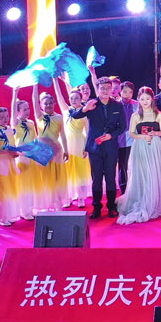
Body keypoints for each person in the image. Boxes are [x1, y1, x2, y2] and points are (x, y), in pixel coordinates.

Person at [69, 78, 126, 219]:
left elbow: (123, 126)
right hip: (95, 148)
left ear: (111, 89)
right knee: (97, 179)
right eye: (102, 88)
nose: (105, 91)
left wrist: (111, 135)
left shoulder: (117, 105)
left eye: (108, 88)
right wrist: (85, 109)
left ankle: (111, 207)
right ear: (98, 89)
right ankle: (96, 207)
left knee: (111, 178)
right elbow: (75, 115)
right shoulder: (91, 103)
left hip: (111, 147)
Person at [116, 87, 161, 225]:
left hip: (155, 146)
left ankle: (153, 201)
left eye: (147, 98)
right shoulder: (135, 116)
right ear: (138, 100)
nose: (145, 101)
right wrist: (143, 136)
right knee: (141, 173)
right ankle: (141, 199)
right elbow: (131, 133)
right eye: (142, 99)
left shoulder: (158, 114)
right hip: (140, 146)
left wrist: (156, 133)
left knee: (153, 172)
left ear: (152, 99)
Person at [32, 88, 72, 212]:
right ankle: (46, 204)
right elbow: (34, 100)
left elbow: (63, 135)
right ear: (41, 105)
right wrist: (35, 85)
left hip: (56, 151)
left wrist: (66, 150)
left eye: (50, 103)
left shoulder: (59, 117)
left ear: (54, 103)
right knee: (44, 179)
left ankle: (57, 204)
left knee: (56, 179)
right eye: (45, 103)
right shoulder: (39, 116)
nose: (48, 105)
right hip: (42, 153)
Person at [0, 105, 25, 226]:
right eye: (2, 117)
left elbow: (12, 145)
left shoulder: (9, 129)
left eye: (7, 116)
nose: (5, 119)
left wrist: (14, 153)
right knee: (1, 191)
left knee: (10, 189)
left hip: (9, 162)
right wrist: (5, 152)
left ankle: (9, 214)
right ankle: (0, 217)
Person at [59, 86, 91, 208]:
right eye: (71, 98)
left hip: (79, 144)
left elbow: (88, 132)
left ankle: (81, 197)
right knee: (67, 173)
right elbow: (59, 97)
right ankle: (68, 197)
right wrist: (56, 81)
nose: (74, 100)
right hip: (66, 144)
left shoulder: (85, 113)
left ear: (81, 99)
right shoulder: (66, 112)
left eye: (77, 98)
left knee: (80, 172)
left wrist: (87, 147)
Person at [114, 80, 137, 193]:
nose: (127, 95)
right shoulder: (115, 105)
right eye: (125, 92)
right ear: (120, 91)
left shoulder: (137, 105)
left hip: (135, 141)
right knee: (123, 167)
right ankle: (124, 191)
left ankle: (135, 190)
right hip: (120, 141)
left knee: (135, 167)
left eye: (130, 92)